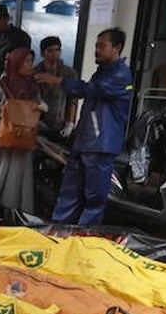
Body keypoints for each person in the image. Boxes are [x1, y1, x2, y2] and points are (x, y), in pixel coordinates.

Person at [35, 27, 132, 226]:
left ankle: (84, 237)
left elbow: (92, 90)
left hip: (101, 144)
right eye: (96, 46)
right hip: (85, 142)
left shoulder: (120, 75)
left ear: (117, 48)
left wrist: (59, 80)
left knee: (93, 197)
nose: (97, 50)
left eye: (102, 46)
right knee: (69, 192)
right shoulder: (102, 72)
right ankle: (58, 232)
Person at [0, 48, 47, 212]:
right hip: (1, 143)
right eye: (27, 61)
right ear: (16, 63)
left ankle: (17, 213)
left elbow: (38, 111)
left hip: (24, 142)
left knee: (18, 180)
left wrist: (40, 108)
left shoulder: (32, 87)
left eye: (31, 61)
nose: (30, 65)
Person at [34, 36, 79, 137]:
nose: (55, 54)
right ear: (42, 54)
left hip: (61, 124)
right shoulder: (35, 73)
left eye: (57, 50)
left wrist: (70, 123)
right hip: (38, 124)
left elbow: (73, 100)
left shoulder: (69, 73)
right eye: (50, 50)